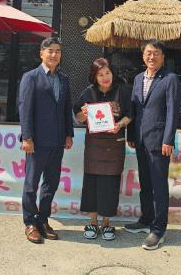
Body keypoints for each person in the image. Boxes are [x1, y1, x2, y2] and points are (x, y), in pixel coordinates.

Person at [125, 39, 181, 250]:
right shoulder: (138, 78)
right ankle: (146, 219)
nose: (152, 57)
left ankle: (158, 229)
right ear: (143, 56)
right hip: (141, 139)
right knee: (145, 184)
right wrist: (132, 134)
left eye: (156, 53)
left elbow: (173, 111)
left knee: (158, 186)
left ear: (163, 57)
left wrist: (168, 139)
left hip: (159, 141)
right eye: (148, 53)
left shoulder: (170, 79)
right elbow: (134, 108)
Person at [18, 37, 74, 244]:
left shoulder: (64, 79)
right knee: (31, 184)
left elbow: (66, 108)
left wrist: (69, 134)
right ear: (41, 53)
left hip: (57, 141)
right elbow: (24, 109)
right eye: (50, 51)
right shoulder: (31, 77)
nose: (54, 55)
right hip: (37, 141)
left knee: (51, 184)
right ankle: (30, 223)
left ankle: (43, 220)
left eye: (58, 51)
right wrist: (27, 137)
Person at [74, 58, 132, 241]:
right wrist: (83, 115)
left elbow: (130, 114)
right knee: (91, 182)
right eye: (100, 75)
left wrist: (120, 124)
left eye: (108, 73)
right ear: (94, 76)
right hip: (94, 145)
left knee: (110, 184)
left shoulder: (122, 91)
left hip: (114, 144)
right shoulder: (88, 93)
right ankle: (92, 222)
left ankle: (107, 223)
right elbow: (77, 115)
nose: (105, 77)